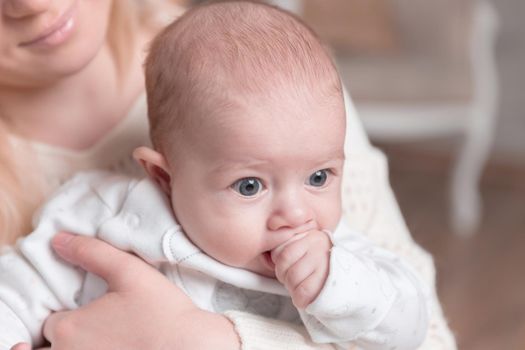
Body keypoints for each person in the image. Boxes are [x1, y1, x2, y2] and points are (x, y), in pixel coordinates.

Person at [0, 0, 456, 349]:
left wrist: (208, 339)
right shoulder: (106, 213)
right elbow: (14, 293)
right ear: (164, 178)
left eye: (320, 177)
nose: (295, 214)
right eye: (249, 186)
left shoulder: (339, 255)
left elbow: (415, 330)